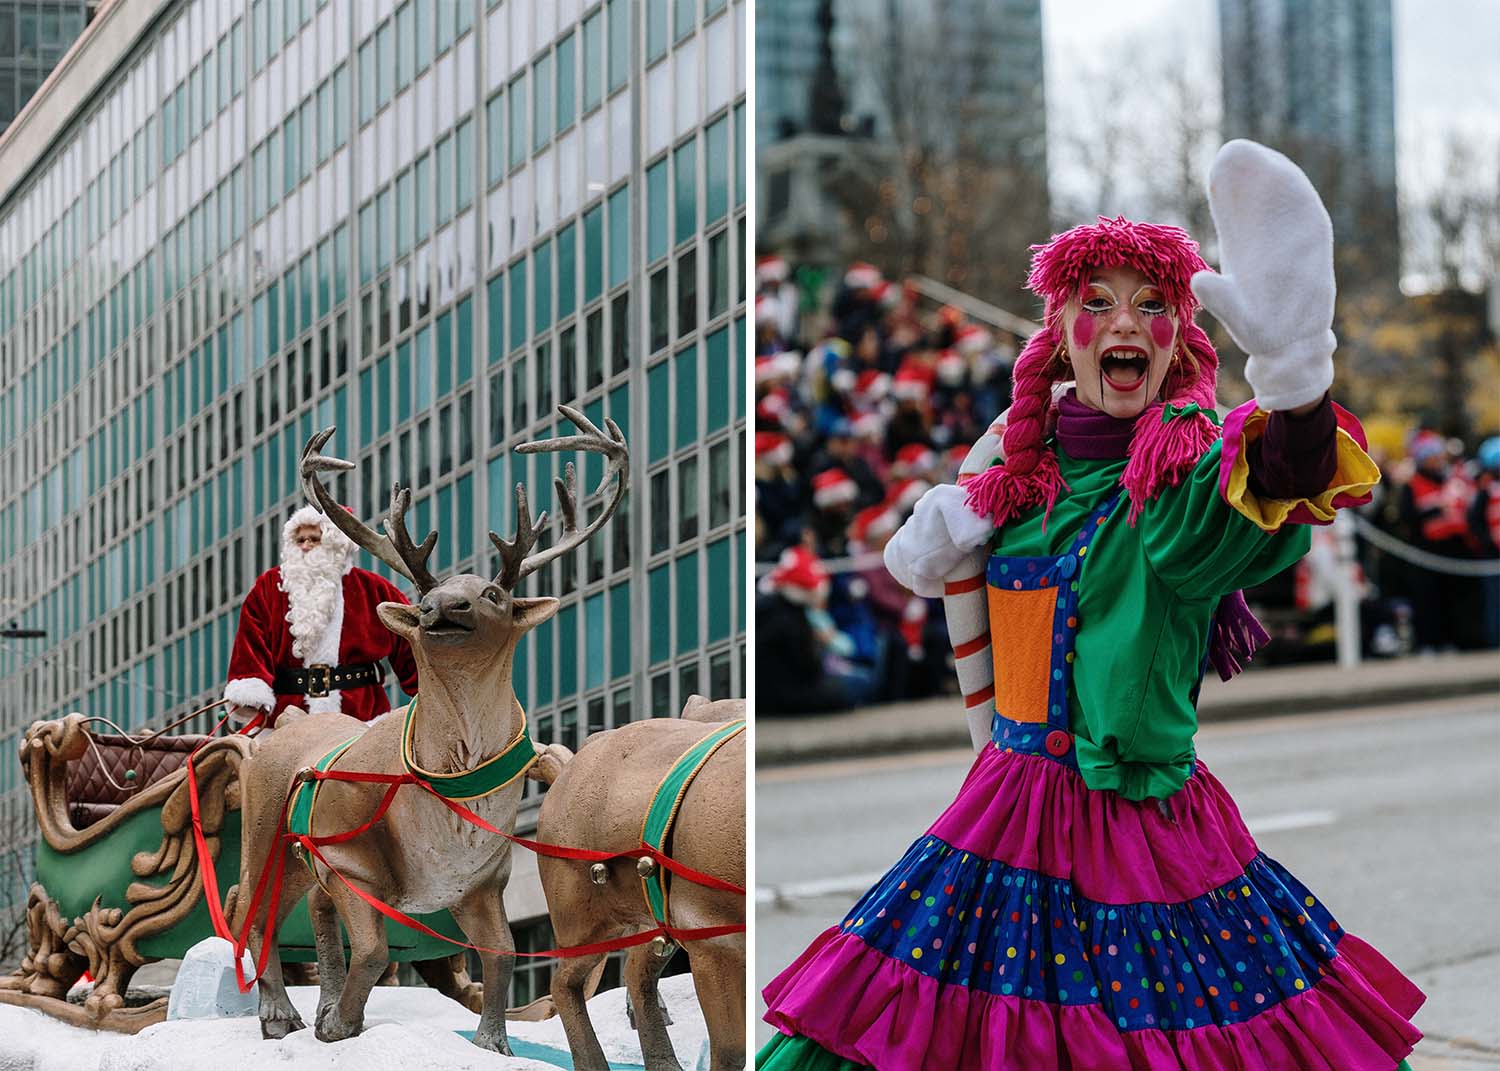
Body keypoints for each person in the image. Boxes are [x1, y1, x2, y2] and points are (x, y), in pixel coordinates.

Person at [758, 142, 1423, 1069]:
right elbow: (934, 574)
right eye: (1098, 303)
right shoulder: (1009, 477)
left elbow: (1272, 480)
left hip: (1147, 825)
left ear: (1181, 338)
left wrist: (1297, 381)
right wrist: (966, 503)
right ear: (1062, 335)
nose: (1126, 323)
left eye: (1153, 305)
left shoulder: (1182, 471)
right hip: (1004, 813)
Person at [223, 504, 420, 735]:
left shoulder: (374, 589)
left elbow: (411, 644)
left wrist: (426, 687)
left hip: (361, 717)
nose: (305, 546)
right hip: (285, 722)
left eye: (314, 539)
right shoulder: (268, 588)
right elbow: (250, 648)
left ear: (335, 543)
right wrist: (250, 691)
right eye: (300, 540)